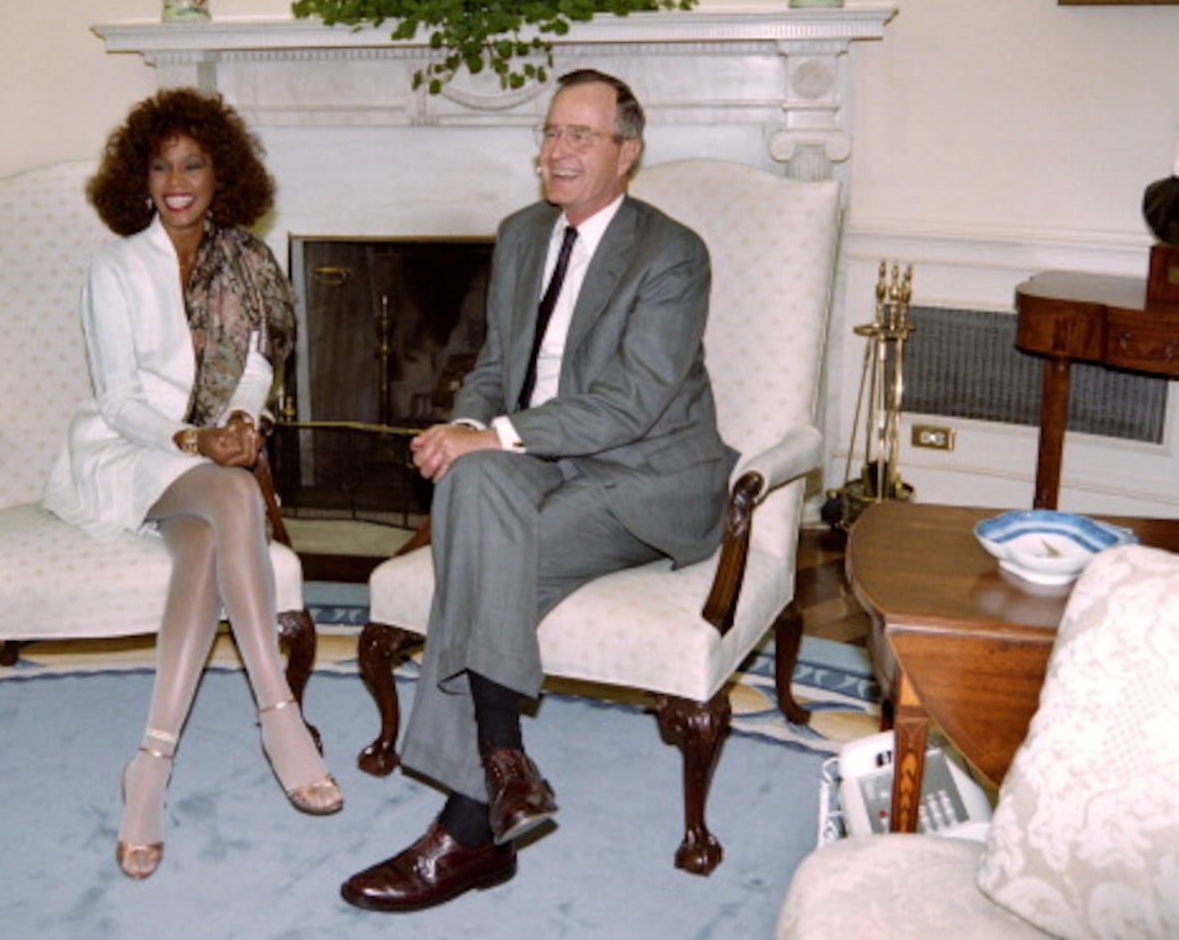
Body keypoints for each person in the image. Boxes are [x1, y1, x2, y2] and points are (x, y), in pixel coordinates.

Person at [340, 70, 737, 912]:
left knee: (480, 563)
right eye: (552, 132)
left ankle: (470, 821)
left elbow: (633, 403)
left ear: (627, 153)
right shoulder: (520, 234)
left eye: (581, 136)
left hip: (643, 473)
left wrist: (498, 436)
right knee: (473, 486)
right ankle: (504, 765)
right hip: (541, 458)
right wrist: (461, 431)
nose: (557, 151)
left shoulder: (672, 253)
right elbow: (492, 370)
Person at [42, 87, 342, 882]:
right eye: (161, 165)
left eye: (194, 164)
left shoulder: (244, 261)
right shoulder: (115, 268)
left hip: (203, 457)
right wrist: (195, 439)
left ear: (221, 175)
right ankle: (282, 719)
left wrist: (242, 424)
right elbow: (118, 399)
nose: (177, 180)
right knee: (233, 494)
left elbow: (255, 369)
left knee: (208, 539)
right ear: (139, 180)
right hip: (127, 450)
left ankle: (150, 764)